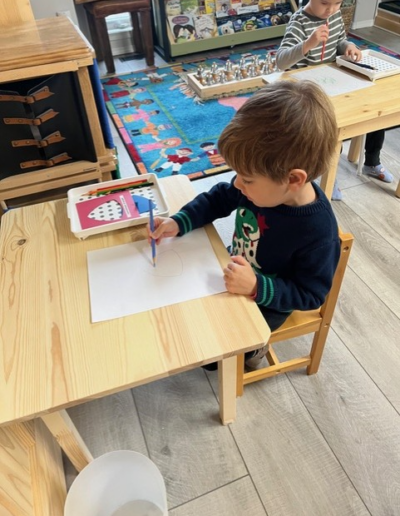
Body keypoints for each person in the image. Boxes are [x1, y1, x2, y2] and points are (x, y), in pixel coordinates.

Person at [147, 81, 341, 370]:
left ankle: (254, 352)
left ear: (293, 180)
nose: (238, 184)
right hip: (233, 267)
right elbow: (219, 198)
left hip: (267, 301)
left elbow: (310, 294)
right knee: (182, 314)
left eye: (246, 179)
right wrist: (179, 221)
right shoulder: (261, 184)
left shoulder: (319, 233)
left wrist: (256, 286)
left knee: (210, 358)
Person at [276, 0, 394, 201]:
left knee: (376, 110)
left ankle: (372, 161)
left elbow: (339, 40)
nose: (330, 9)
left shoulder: (334, 15)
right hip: (305, 92)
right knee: (331, 129)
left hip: (334, 82)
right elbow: (281, 61)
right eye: (324, 3)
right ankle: (328, 177)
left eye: (337, 3)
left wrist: (348, 46)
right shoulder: (299, 21)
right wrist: (308, 44)